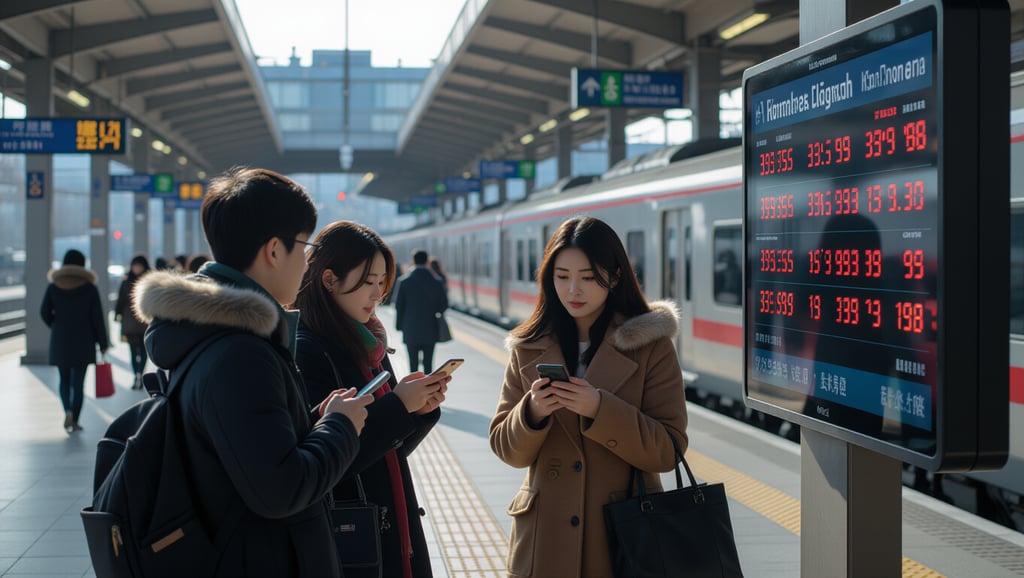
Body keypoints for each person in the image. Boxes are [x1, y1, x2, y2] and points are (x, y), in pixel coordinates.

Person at [132, 167, 372, 577]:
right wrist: (340, 429)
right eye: (304, 248)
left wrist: (315, 423)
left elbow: (246, 455)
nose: (307, 263)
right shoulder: (241, 352)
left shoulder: (214, 336)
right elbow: (280, 490)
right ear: (274, 251)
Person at [489, 216, 689, 578]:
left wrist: (600, 409)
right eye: (562, 276)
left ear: (614, 277)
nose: (573, 290)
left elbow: (668, 450)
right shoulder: (527, 347)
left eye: (587, 277)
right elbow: (506, 449)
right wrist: (531, 413)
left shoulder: (652, 347)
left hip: (622, 541)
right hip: (543, 545)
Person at [292, 220, 449, 578]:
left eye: (381, 282)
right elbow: (331, 461)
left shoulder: (369, 344)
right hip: (353, 540)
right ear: (329, 280)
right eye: (367, 282)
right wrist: (398, 406)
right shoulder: (309, 350)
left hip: (391, 526)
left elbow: (385, 451)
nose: (378, 294)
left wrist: (419, 412)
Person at [41, 249, 109, 433]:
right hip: (84, 341)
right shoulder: (89, 288)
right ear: (82, 265)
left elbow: (44, 312)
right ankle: (76, 420)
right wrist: (103, 343)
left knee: (64, 380)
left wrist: (56, 326)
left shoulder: (54, 286)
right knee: (78, 383)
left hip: (60, 340)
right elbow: (98, 319)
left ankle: (67, 410)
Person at [393, 249, 448, 373]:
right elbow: (443, 306)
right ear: (427, 261)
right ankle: (430, 390)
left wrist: (399, 326)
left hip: (410, 329)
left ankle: (415, 390)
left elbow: (398, 306)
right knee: (428, 365)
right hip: (430, 329)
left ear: (413, 261)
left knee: (413, 366)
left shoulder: (404, 282)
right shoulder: (437, 282)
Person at [114, 254, 151, 389]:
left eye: (139, 266)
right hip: (130, 322)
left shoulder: (149, 281)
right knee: (133, 351)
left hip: (144, 321)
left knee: (143, 350)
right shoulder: (126, 281)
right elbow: (121, 301)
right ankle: (137, 374)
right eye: (135, 266)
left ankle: (140, 374)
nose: (136, 268)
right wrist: (117, 314)